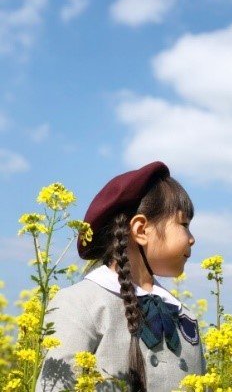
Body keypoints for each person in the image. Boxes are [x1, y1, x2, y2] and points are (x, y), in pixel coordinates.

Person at [37, 161, 206, 392]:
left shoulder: (183, 314)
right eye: (184, 224)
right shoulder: (80, 304)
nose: (191, 238)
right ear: (140, 230)